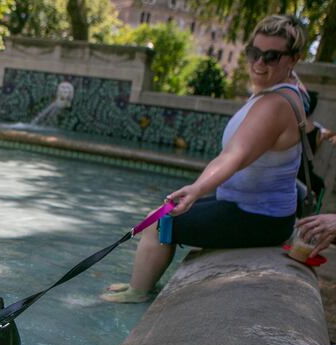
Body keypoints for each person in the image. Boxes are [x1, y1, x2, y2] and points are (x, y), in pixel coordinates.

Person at [102, 14, 309, 303]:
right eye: (255, 53)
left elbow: (234, 156)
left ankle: (138, 293)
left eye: (272, 57)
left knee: (158, 223)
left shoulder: (273, 106)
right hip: (267, 214)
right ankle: (141, 284)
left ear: (293, 60)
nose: (259, 63)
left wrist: (196, 189)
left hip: (255, 217)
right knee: (162, 212)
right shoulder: (290, 89)